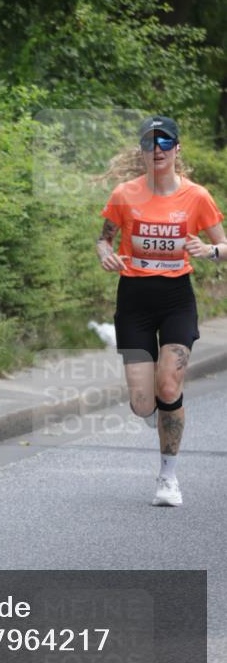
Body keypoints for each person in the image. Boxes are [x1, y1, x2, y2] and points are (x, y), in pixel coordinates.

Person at [96, 115, 226, 507]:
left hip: (176, 299)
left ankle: (168, 478)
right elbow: (104, 239)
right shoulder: (124, 195)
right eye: (151, 143)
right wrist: (106, 255)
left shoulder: (196, 197)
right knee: (142, 404)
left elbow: (224, 245)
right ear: (142, 151)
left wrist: (211, 251)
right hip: (133, 298)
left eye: (165, 142)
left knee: (169, 386)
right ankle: (154, 406)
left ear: (177, 149)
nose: (158, 150)